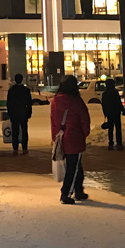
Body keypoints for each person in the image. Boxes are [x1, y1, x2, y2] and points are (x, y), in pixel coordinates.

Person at [50, 75, 90, 204]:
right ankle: (66, 193)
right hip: (74, 137)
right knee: (73, 166)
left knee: (75, 164)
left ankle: (79, 190)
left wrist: (55, 137)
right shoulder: (76, 101)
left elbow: (53, 120)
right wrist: (84, 133)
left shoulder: (56, 100)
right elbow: (84, 119)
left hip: (61, 137)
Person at [5, 74, 33, 155]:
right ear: (22, 80)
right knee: (24, 131)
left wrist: (9, 113)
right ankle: (24, 148)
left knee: (15, 132)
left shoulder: (11, 90)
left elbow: (9, 104)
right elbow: (29, 103)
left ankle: (15, 149)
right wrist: (29, 113)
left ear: (15, 80)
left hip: (14, 114)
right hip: (23, 114)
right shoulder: (26, 90)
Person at [101, 78, 124, 150]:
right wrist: (123, 110)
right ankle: (119, 143)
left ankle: (111, 143)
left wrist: (105, 113)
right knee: (118, 128)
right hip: (116, 112)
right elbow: (118, 102)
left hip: (109, 113)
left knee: (110, 128)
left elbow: (103, 104)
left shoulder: (105, 93)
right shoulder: (114, 92)